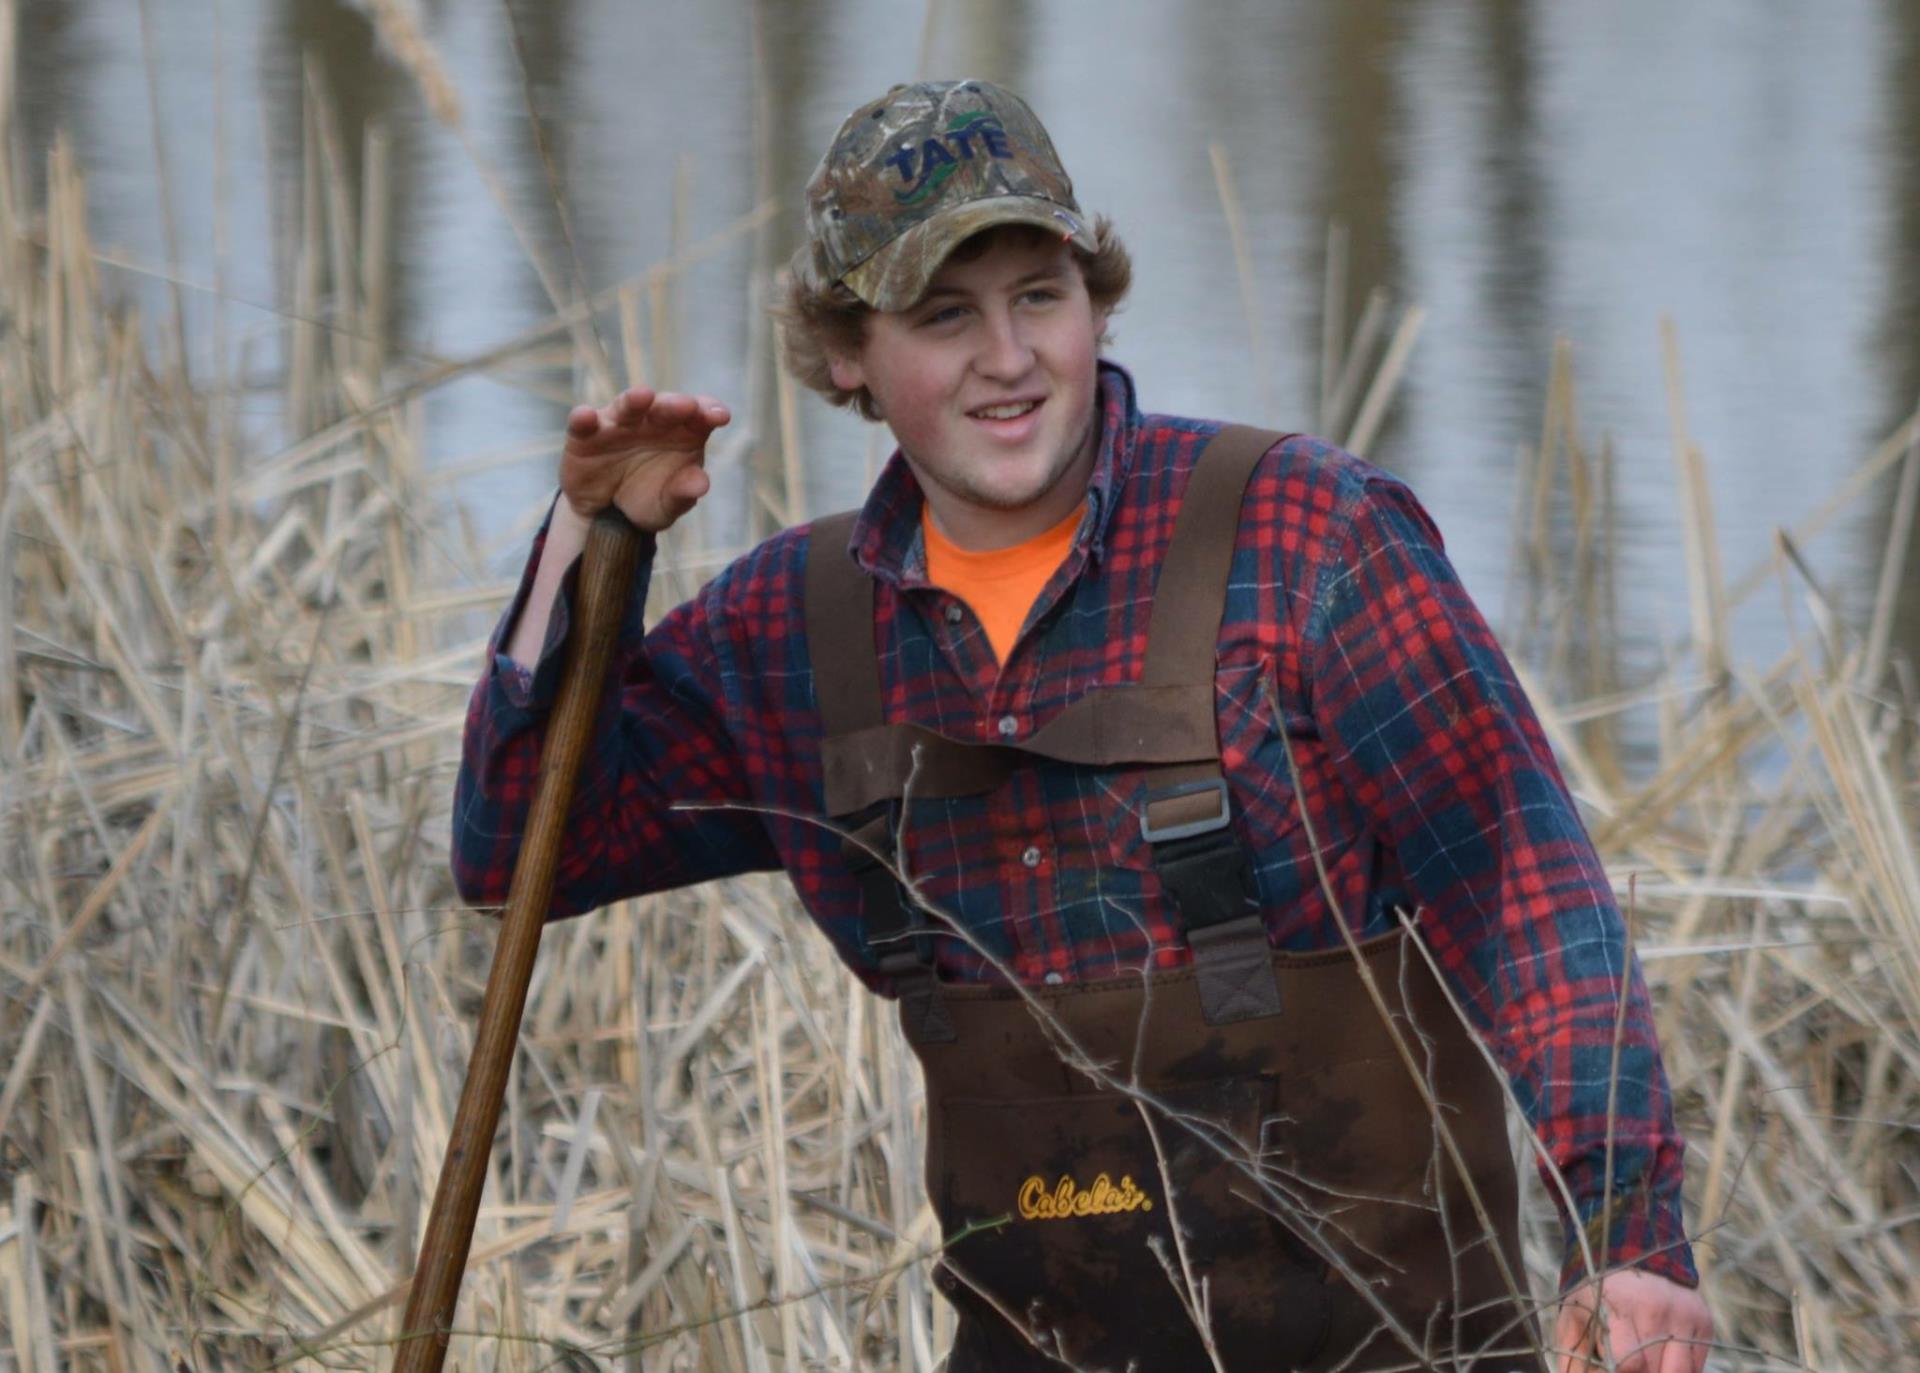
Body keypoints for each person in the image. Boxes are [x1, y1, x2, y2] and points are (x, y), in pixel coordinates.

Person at [454, 79, 1713, 1372]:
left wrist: (1629, 1236)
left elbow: (1525, 891)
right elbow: (513, 850)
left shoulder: (1310, 539)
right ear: (846, 353)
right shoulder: (800, 628)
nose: (1008, 358)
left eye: (1038, 295)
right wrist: (587, 543)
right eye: (944, 315)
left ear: (1094, 299)